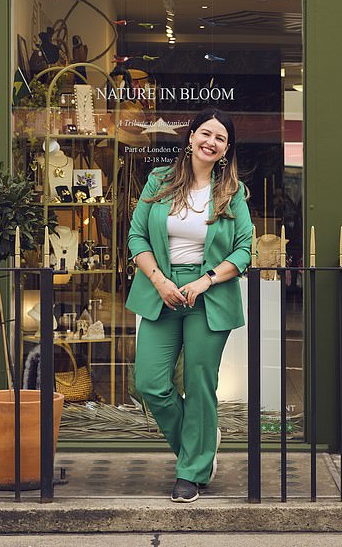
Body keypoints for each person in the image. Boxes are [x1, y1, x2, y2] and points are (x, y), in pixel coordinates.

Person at [126, 109, 252, 503]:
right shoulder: (158, 181)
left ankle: (191, 472)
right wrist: (160, 281)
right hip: (160, 291)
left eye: (220, 138)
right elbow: (136, 238)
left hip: (208, 294)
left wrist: (206, 279)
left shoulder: (233, 192)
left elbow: (245, 249)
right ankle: (197, 447)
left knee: (199, 384)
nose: (211, 142)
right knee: (149, 382)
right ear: (191, 136)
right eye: (206, 133)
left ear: (226, 150)